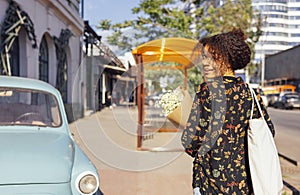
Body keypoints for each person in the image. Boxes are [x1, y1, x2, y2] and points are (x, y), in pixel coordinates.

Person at [181, 29, 275, 194]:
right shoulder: (251, 94)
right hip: (245, 185)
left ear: (227, 58)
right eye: (203, 57)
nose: (204, 62)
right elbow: (268, 132)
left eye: (210, 57)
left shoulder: (206, 91)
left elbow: (191, 144)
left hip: (209, 184)